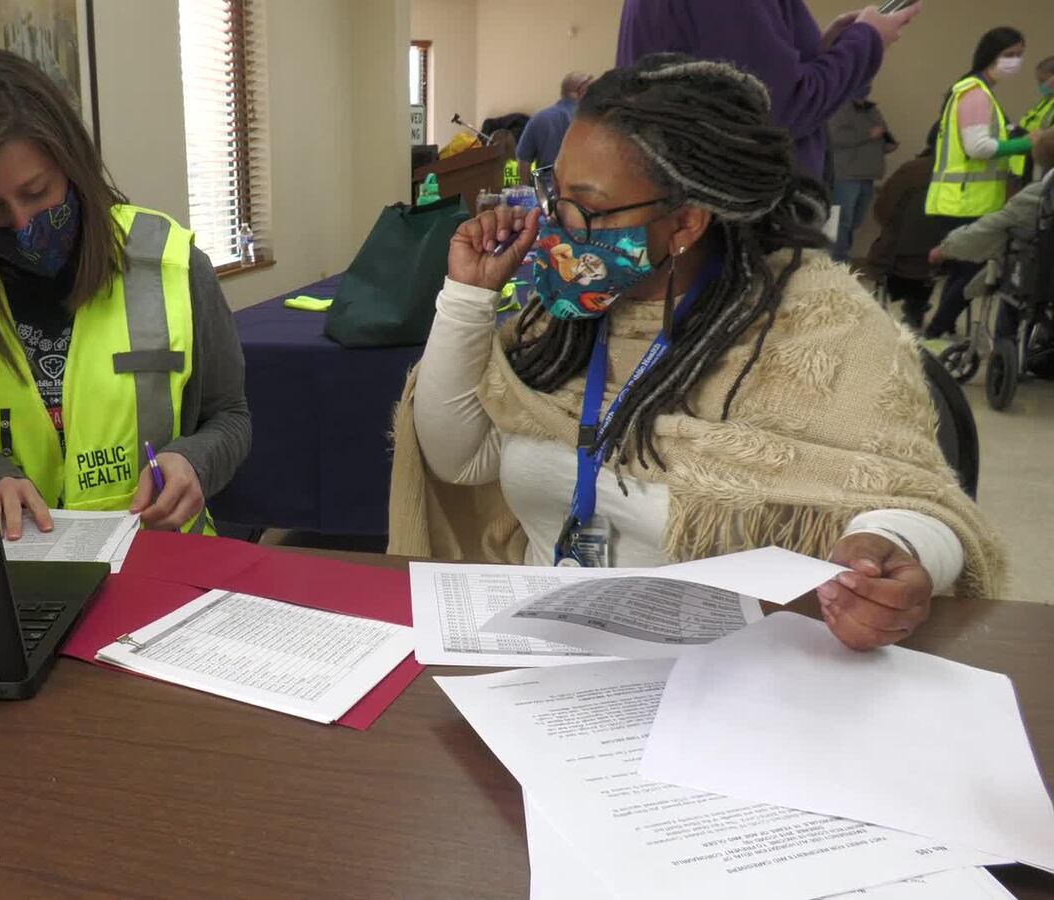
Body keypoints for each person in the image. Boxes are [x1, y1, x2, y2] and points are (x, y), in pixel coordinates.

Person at [390, 55, 1002, 652]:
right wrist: (467, 296)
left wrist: (889, 549)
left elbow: (918, 501)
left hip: (727, 676)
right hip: (543, 652)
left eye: (588, 206)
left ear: (685, 224)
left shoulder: (822, 326)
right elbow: (458, 459)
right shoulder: (564, 308)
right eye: (557, 192)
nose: (558, 221)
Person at [0, 50, 251, 540]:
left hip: (158, 564)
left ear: (72, 164)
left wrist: (194, 461)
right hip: (10, 578)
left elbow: (230, 416)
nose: (23, 225)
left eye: (37, 193)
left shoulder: (172, 267)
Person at [617, 0, 921, 180]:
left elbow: (728, 83)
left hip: (685, 196)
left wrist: (825, 53)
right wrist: (867, 41)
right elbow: (775, 110)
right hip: (736, 217)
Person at [923, 27, 1033, 345]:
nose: (1015, 62)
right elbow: (978, 147)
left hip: (967, 200)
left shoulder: (980, 91)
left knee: (965, 272)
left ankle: (938, 328)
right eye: (1010, 55)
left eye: (1020, 55)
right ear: (991, 54)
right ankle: (936, 330)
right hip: (963, 201)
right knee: (971, 273)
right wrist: (1025, 145)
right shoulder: (974, 92)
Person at [867, 125, 949, 330]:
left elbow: (881, 211)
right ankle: (923, 312)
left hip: (894, 261)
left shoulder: (910, 170)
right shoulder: (967, 176)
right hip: (938, 264)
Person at [828, 92, 896, 261]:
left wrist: (887, 144)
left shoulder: (872, 109)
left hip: (868, 173)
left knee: (855, 221)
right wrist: (867, 134)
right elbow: (832, 137)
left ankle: (841, 256)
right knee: (842, 221)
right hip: (846, 174)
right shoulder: (838, 106)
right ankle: (837, 261)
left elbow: (881, 131)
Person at [515, 73, 594, 172]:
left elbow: (523, 160)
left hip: (545, 185)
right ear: (581, 91)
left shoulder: (539, 118)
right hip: (583, 185)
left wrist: (526, 186)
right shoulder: (594, 121)